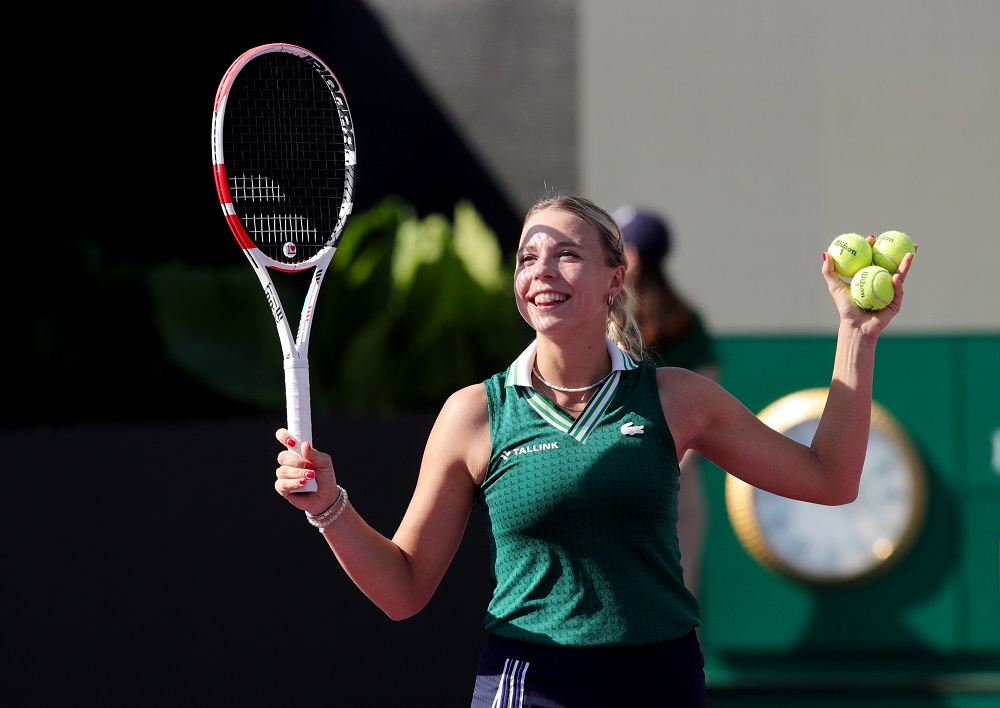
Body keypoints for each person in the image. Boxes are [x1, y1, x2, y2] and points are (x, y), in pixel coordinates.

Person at [272, 194, 913, 706]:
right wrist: (329, 508)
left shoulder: (676, 396)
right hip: (532, 683)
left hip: (661, 679)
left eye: (565, 255)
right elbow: (403, 590)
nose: (542, 271)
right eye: (527, 258)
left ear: (614, 278)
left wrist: (857, 336)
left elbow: (830, 479)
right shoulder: (474, 414)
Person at [613, 205, 719, 599]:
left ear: (633, 255)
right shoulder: (685, 318)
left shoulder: (607, 318)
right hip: (674, 482)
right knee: (675, 607)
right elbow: (706, 410)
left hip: (619, 476)